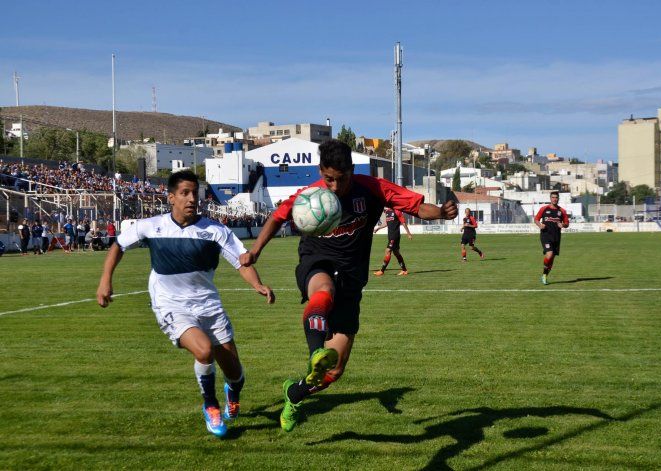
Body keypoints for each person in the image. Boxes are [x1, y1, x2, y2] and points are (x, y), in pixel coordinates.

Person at [239, 140, 458, 432]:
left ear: (352, 171)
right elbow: (278, 216)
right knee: (324, 291)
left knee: (335, 370)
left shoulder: (373, 189)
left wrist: (442, 213)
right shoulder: (310, 195)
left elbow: (417, 206)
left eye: (341, 179)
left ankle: (295, 393)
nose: (334, 186)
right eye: (328, 178)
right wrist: (255, 251)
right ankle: (315, 350)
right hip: (317, 262)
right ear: (321, 171)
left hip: (352, 278)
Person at [96, 170, 275, 438]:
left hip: (208, 305)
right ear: (171, 197)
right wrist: (105, 281)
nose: (192, 199)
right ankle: (210, 406)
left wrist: (257, 284)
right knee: (203, 351)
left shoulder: (216, 231)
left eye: (195, 193)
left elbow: (241, 260)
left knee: (235, 372)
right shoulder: (151, 226)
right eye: (185, 193)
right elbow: (118, 246)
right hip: (170, 305)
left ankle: (232, 392)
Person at [534, 191, 569, 285]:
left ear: (558, 199)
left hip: (556, 237)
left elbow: (567, 223)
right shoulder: (544, 209)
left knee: (552, 259)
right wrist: (540, 225)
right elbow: (536, 219)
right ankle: (545, 271)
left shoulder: (562, 211)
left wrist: (563, 225)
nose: (554, 199)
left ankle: (544, 275)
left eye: (556, 197)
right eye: (553, 197)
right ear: (550, 198)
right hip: (545, 236)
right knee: (549, 254)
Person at [373, 207, 412, 276]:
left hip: (395, 235)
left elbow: (403, 222)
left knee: (388, 251)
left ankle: (382, 271)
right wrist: (378, 228)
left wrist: (408, 233)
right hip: (390, 235)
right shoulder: (387, 211)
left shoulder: (397, 211)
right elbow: (386, 223)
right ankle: (404, 270)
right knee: (396, 253)